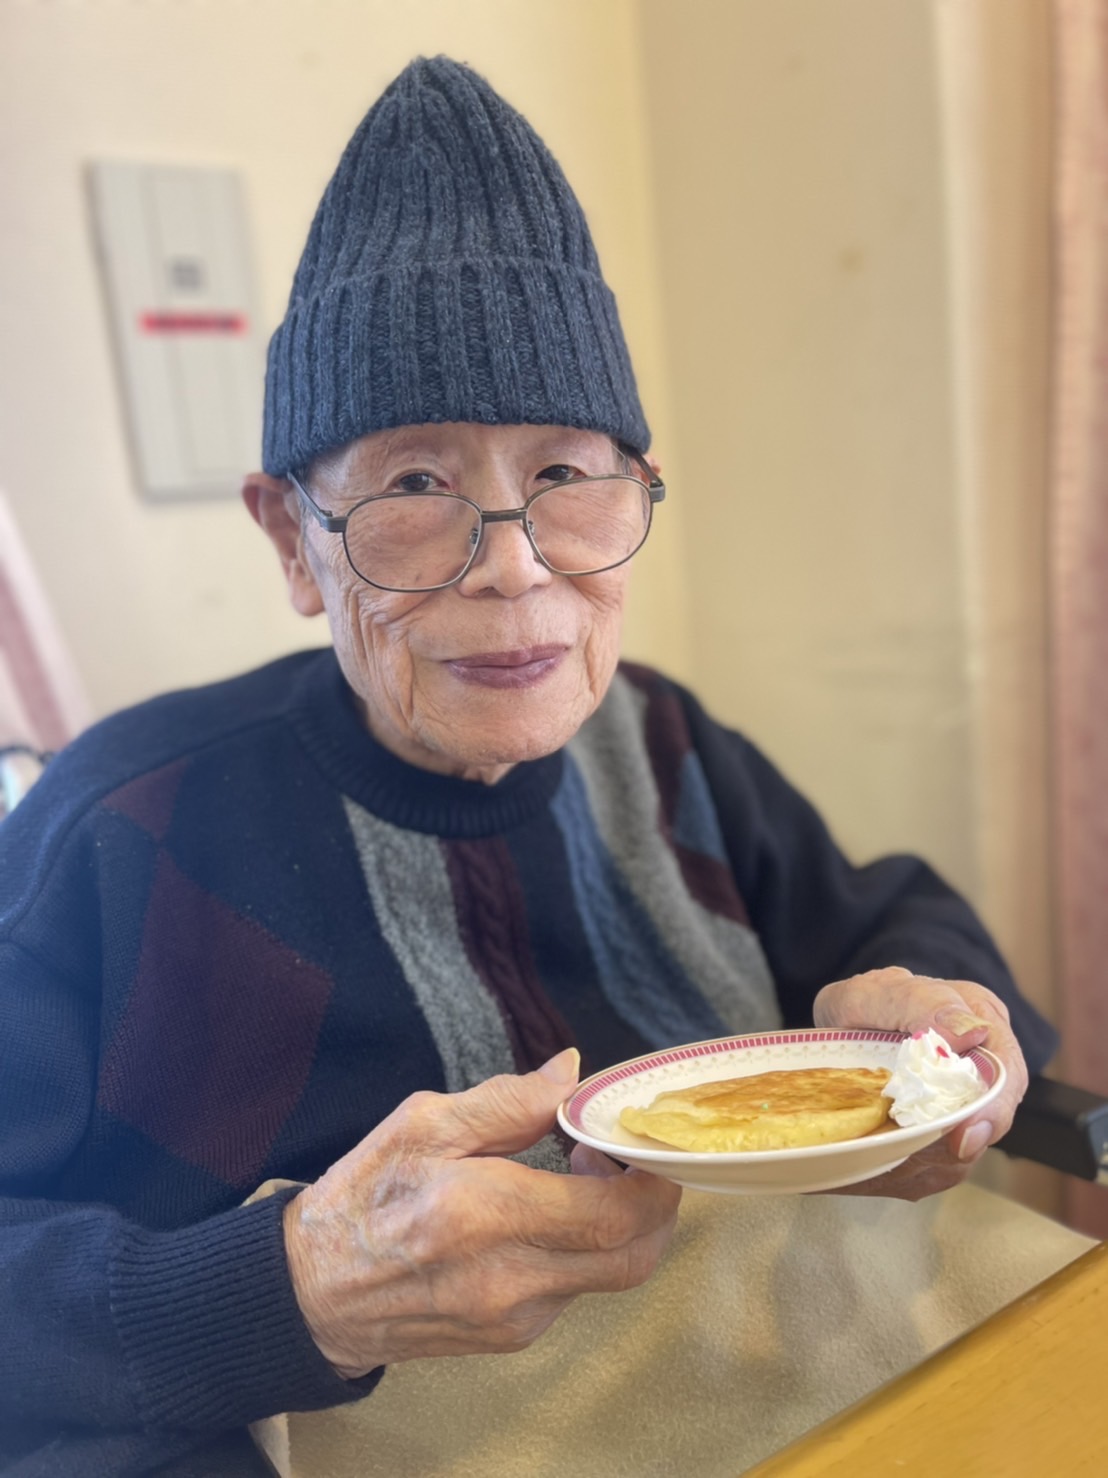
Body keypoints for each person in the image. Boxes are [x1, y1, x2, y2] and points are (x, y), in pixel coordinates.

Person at [0, 56, 1057, 1478]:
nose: (513, 568)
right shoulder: (119, 829)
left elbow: (888, 920)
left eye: (564, 475)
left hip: (837, 1403)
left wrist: (950, 1029)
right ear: (292, 540)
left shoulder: (667, 743)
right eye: (416, 486)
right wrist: (291, 1286)